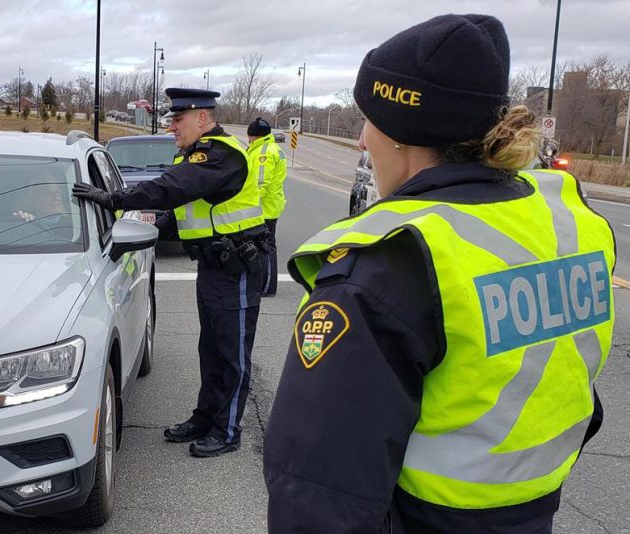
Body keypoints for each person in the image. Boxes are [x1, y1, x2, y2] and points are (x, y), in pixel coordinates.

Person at [263, 14, 615, 533]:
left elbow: (320, 494)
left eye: (369, 121)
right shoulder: (572, 225)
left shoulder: (391, 263)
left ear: (403, 134)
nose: (362, 142)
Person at [73, 88, 267, 458]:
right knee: (210, 349)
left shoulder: (221, 154)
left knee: (232, 354)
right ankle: (204, 417)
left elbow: (174, 189)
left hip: (237, 268)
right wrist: (149, 230)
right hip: (214, 266)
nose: (172, 127)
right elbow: (186, 212)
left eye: (178, 120)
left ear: (202, 118)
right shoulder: (199, 154)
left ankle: (227, 431)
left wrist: (115, 199)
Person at [246, 117, 287, 297]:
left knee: (267, 246)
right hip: (269, 205)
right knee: (264, 245)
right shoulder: (270, 149)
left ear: (254, 136)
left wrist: (250, 204)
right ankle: (264, 284)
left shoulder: (263, 153)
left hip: (264, 207)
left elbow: (261, 183)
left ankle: (268, 286)